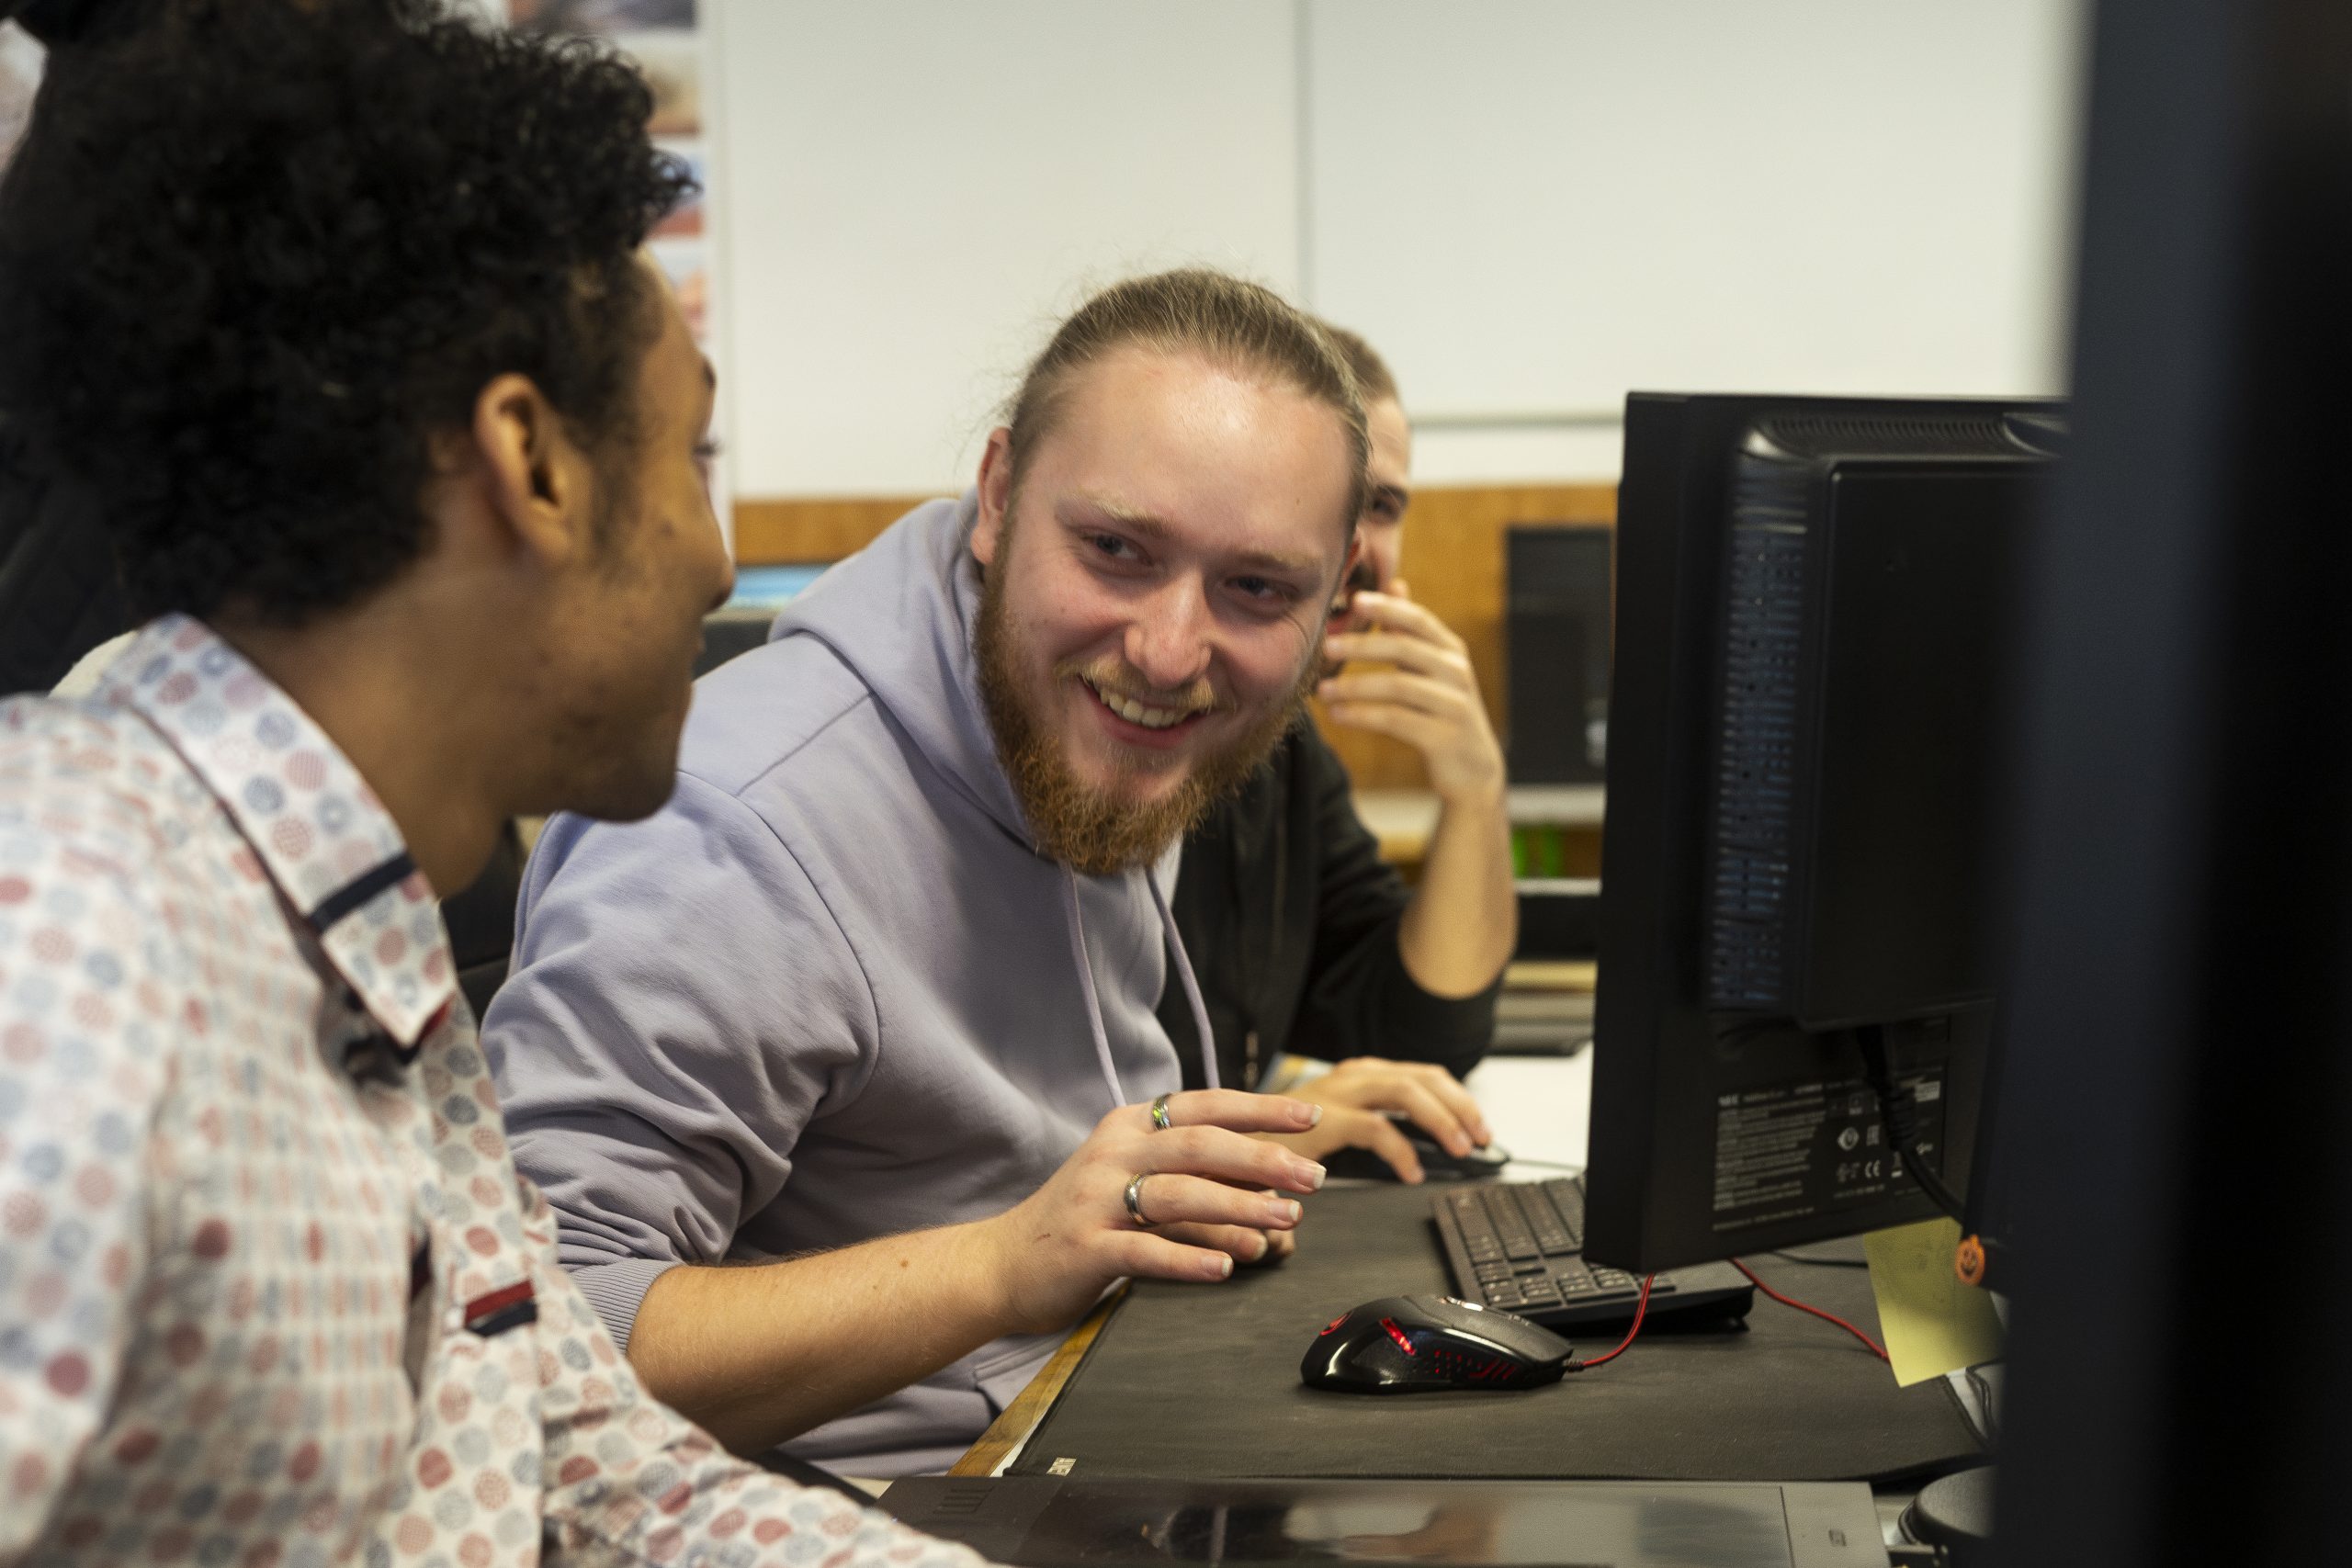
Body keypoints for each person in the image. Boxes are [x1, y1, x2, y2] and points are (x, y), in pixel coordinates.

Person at [0, 3, 988, 1561]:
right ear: (531, 462)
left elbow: (588, 1473)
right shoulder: (63, 930)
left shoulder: (365, 952)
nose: (718, 564)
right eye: (693, 459)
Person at [483, 269, 1358, 1478]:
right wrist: (1004, 1262)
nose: (1169, 650)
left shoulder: (1068, 737)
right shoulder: (727, 830)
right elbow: (533, 1353)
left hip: (1093, 1434)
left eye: (1256, 586)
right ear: (998, 498)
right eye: (1113, 549)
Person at [1158, 325, 1519, 1180]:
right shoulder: (1119, 725)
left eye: (1383, 504)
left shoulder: (1279, 743)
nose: (1357, 549)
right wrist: (1250, 1146)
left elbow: (1425, 1033)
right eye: (1326, 494)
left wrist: (1475, 787)